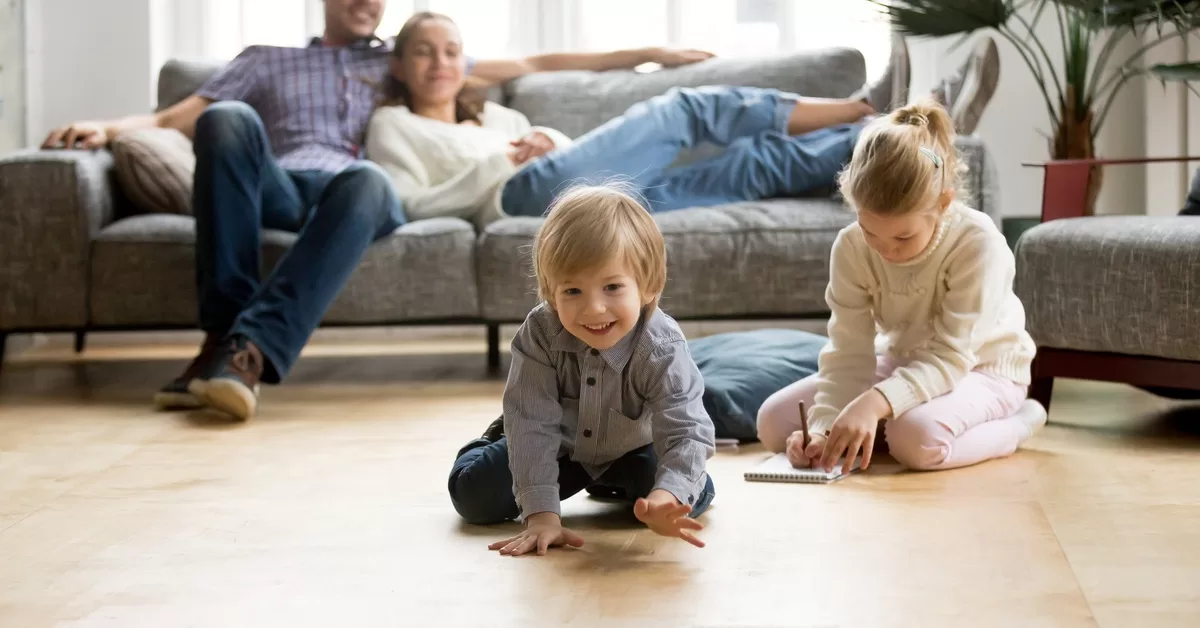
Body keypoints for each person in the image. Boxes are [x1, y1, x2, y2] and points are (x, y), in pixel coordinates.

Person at [39, 0, 714, 420]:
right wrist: (109, 127)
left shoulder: (399, 61)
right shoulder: (263, 59)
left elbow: (534, 60)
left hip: (360, 193)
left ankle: (245, 353)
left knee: (364, 179)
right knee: (229, 121)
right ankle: (225, 338)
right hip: (283, 182)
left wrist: (648, 52)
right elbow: (176, 117)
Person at [364, 12, 1003, 228]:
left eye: (451, 50)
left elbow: (562, 149)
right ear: (399, 65)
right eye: (423, 51)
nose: (440, 62)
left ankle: (918, 135)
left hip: (588, 202)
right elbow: (409, 206)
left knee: (753, 166)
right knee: (684, 110)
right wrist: (501, 162)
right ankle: (868, 107)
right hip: (523, 199)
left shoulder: (496, 113)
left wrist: (542, 139)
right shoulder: (394, 127)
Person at [755, 101, 1048, 476]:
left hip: (983, 369)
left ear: (943, 203)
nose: (885, 250)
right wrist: (821, 429)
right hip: (902, 363)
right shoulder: (850, 246)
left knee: (915, 441)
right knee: (773, 423)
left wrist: (874, 404)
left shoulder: (978, 243)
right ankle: (879, 426)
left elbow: (951, 357)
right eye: (869, 230)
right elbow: (848, 351)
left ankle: (1019, 422)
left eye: (903, 236)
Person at [447, 185, 716, 556]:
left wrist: (665, 496)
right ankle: (495, 436)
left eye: (612, 287)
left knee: (689, 495)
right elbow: (533, 426)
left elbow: (686, 429)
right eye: (572, 291)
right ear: (550, 293)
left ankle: (615, 481)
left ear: (648, 287)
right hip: (559, 444)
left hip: (634, 447)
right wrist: (541, 515)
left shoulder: (662, 345)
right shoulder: (540, 332)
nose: (593, 309)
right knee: (473, 497)